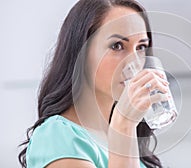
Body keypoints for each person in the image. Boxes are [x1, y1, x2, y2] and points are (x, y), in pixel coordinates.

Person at [18, 0, 170, 167]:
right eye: (117, 46)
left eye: (141, 47)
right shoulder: (58, 137)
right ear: (80, 54)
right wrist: (124, 125)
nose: (134, 62)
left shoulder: (124, 140)